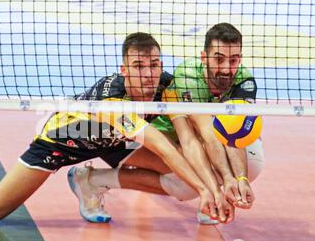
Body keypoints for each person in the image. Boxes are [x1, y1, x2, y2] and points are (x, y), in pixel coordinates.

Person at [0, 32, 232, 225]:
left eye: (155, 64)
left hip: (113, 142)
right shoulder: (114, 100)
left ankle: (88, 182)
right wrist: (208, 191)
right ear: (124, 69)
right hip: (66, 140)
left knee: (181, 171)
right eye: (139, 66)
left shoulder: (166, 84)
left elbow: (187, 137)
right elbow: (162, 145)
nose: (149, 73)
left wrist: (221, 183)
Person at [72, 23, 264, 225]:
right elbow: (199, 136)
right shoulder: (186, 79)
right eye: (219, 59)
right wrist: (219, 185)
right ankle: (90, 180)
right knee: (187, 186)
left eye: (234, 60)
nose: (226, 68)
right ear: (204, 57)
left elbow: (231, 134)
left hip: (172, 138)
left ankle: (212, 197)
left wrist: (239, 179)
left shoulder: (244, 81)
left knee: (254, 161)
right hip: (134, 136)